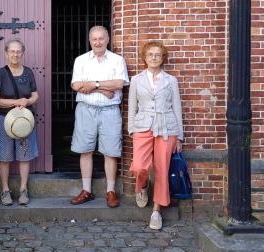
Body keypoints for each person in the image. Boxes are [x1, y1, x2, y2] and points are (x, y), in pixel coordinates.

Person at [70, 26, 129, 208]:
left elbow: (119, 83)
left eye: (101, 38)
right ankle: (86, 190)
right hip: (85, 109)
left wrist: (93, 84)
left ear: (107, 39)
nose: (97, 42)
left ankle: (110, 191)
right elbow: (76, 85)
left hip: (110, 111)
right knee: (85, 150)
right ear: (89, 41)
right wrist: (103, 87)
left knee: (110, 151)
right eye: (94, 39)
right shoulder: (81, 60)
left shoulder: (117, 60)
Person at [128, 41, 184, 230]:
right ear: (144, 57)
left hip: (167, 128)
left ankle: (156, 211)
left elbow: (177, 107)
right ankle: (142, 186)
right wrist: (131, 129)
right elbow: (132, 107)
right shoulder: (136, 80)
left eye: (157, 55)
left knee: (162, 170)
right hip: (142, 126)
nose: (154, 57)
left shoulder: (171, 80)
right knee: (139, 166)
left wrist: (180, 136)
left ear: (162, 58)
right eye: (150, 54)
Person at [0, 39, 39, 206]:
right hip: (3, 120)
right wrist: (16, 102)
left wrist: (27, 101)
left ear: (22, 53)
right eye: (12, 51)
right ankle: (5, 190)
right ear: (6, 53)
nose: (15, 54)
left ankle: (23, 189)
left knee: (24, 156)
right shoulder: (0, 73)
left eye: (18, 51)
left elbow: (35, 95)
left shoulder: (28, 72)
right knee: (4, 157)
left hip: (24, 121)